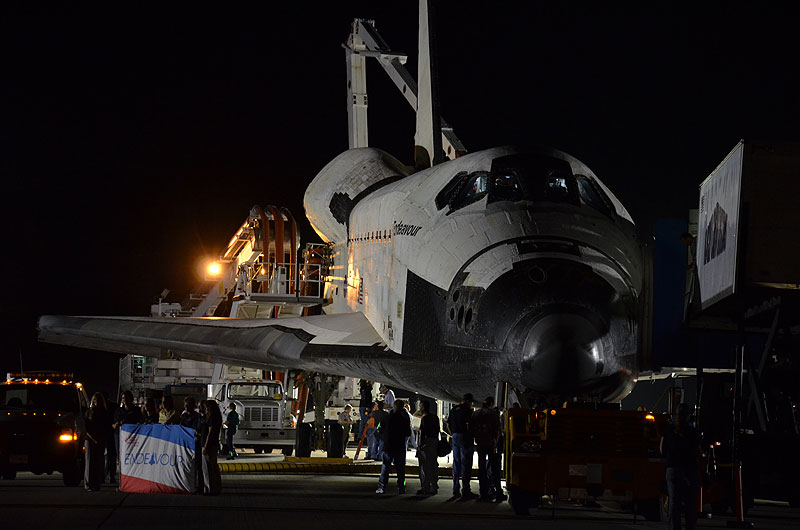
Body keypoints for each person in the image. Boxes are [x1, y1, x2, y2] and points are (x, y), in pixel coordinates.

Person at [660, 402, 701, 530]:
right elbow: (698, 452)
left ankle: (674, 527)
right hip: (689, 470)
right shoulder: (693, 432)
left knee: (673, 502)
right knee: (690, 503)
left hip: (672, 470)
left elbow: (662, 449)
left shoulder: (668, 430)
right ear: (688, 416)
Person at [376, 400, 411, 494]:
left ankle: (382, 486)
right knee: (401, 469)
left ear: (394, 407)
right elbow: (408, 433)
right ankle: (401, 487)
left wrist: (384, 438)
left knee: (385, 467)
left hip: (388, 446)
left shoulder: (387, 417)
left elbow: (379, 429)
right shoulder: (404, 419)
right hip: (399, 446)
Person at [470, 396, 501, 502]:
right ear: (491, 404)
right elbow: (497, 430)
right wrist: (495, 443)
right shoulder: (493, 414)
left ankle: (483, 493)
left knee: (482, 469)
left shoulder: (475, 414)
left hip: (480, 443)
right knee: (494, 468)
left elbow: (471, 428)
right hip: (490, 444)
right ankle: (497, 492)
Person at [447, 393, 475, 498]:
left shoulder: (454, 409)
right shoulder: (468, 411)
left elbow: (448, 424)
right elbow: (470, 426)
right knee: (466, 464)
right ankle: (465, 490)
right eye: (471, 402)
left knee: (456, 463)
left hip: (455, 437)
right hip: (465, 438)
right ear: (468, 401)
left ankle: (455, 490)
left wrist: (453, 434)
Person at [84, 392, 111, 492]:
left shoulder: (104, 412)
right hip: (90, 440)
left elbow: (106, 427)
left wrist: (101, 439)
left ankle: (96, 483)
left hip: (100, 440)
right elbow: (86, 428)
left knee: (99, 463)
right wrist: (93, 438)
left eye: (98, 400)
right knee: (89, 462)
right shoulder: (89, 412)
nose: (96, 402)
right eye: (95, 399)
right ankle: (88, 484)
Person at [112, 390, 144, 468]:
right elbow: (113, 424)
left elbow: (141, 421)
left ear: (131, 399)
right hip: (120, 436)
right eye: (123, 398)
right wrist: (117, 424)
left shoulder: (136, 410)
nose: (125, 400)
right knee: (120, 455)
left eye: (127, 398)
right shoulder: (118, 411)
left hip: (133, 438)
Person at [179, 396, 204, 494]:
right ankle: (188, 485)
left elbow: (197, 429)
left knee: (198, 466)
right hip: (186, 444)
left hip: (195, 444)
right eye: (185, 405)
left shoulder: (197, 417)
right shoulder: (183, 416)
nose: (186, 407)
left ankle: (200, 486)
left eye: (188, 405)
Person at [416, 400, 440, 495]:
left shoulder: (424, 419)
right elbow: (437, 430)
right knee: (433, 465)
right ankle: (434, 486)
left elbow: (422, 433)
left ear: (423, 408)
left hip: (426, 444)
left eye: (421, 406)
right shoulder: (435, 418)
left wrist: (420, 446)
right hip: (434, 443)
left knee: (424, 467)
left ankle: (425, 487)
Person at [200, 400, 222, 495]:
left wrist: (205, 446)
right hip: (213, 444)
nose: (206, 409)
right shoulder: (216, 417)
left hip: (209, 445)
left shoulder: (212, 418)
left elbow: (210, 433)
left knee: (207, 468)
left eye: (207, 407)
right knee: (214, 467)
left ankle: (209, 489)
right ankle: (216, 488)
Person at [102, 391, 118, 485]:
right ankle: (110, 475)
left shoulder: (101, 407)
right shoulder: (113, 406)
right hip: (110, 434)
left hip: (108, 434)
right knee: (111, 456)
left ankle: (107, 475)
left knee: (108, 456)